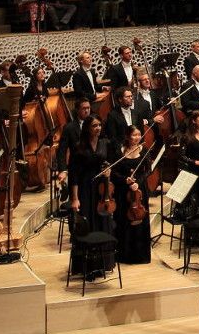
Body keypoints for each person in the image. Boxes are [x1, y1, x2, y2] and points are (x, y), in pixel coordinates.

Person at [68, 115, 116, 276]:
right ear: (88, 128)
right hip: (85, 188)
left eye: (99, 125)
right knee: (87, 225)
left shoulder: (105, 143)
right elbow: (73, 175)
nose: (98, 128)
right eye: (94, 126)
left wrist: (108, 170)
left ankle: (102, 264)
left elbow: (108, 163)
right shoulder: (79, 147)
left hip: (101, 189)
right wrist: (74, 198)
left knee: (103, 222)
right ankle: (86, 267)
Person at [109, 125, 152, 264]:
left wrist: (137, 183)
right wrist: (125, 180)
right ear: (127, 136)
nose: (137, 137)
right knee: (124, 220)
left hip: (139, 191)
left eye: (139, 135)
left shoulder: (144, 150)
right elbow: (114, 172)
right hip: (123, 191)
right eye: (134, 135)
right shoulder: (120, 151)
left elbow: (148, 170)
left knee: (140, 220)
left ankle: (140, 255)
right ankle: (124, 254)